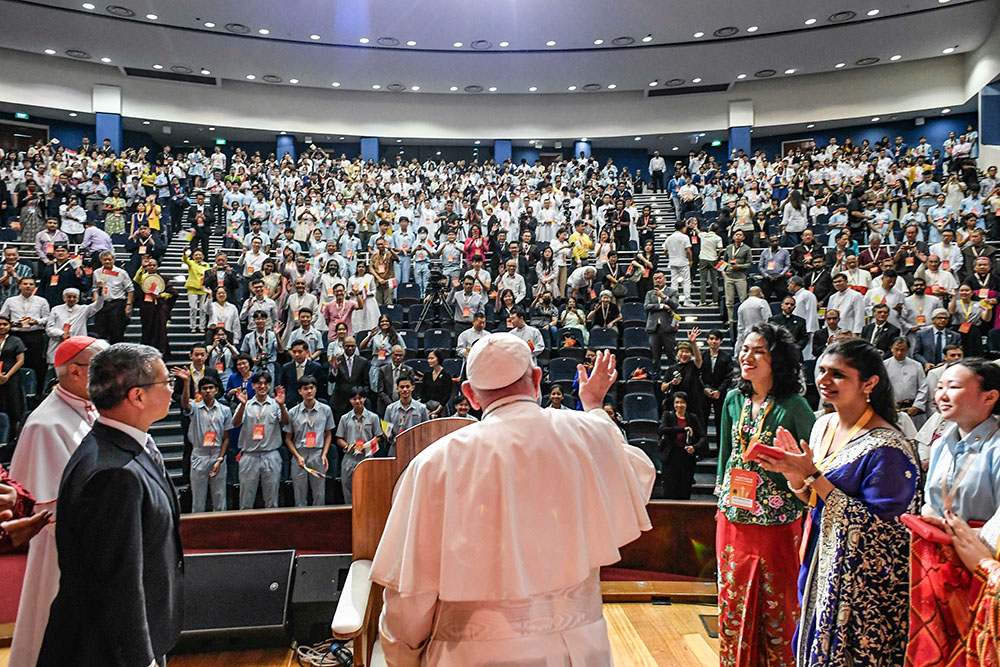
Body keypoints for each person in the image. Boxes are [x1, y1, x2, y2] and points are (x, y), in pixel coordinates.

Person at [369, 338, 654, 664]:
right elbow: (633, 479)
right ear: (536, 380)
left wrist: (401, 655)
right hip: (582, 650)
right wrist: (592, 405)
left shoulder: (435, 464)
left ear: (470, 395)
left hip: (476, 653)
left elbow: (411, 598)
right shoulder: (588, 433)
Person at [756, 338, 917, 666]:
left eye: (838, 375)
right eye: (822, 371)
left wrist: (812, 475)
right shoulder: (823, 425)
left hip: (860, 588)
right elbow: (812, 501)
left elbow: (886, 532)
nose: (824, 381)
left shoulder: (888, 448)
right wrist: (794, 475)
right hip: (818, 560)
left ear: (869, 383)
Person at [37, 343, 181, 667]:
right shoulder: (114, 474)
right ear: (137, 396)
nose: (173, 388)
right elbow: (119, 583)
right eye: (166, 381)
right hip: (108, 650)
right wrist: (141, 659)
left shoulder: (117, 444)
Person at [715, 322, 815, 667]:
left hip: (777, 522)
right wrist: (720, 496)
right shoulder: (733, 398)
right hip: (733, 518)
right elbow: (727, 453)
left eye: (759, 351)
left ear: (778, 359)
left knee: (778, 600)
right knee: (733, 598)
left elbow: (812, 462)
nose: (748, 356)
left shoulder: (796, 406)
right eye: (745, 349)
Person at [8, 336, 106, 667]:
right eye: (101, 368)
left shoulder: (90, 410)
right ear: (76, 372)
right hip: (62, 551)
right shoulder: (45, 423)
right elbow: (45, 507)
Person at [907, 358, 1000, 666]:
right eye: (941, 386)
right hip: (939, 564)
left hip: (980, 565)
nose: (941, 394)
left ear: (989, 396)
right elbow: (933, 499)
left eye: (955, 387)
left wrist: (971, 540)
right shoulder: (942, 442)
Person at [176, 369, 232, 512]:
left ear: (216, 390)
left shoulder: (224, 410)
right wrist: (187, 382)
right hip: (199, 454)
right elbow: (184, 404)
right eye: (204, 388)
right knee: (198, 498)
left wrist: (220, 458)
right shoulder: (194, 407)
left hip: (217, 455)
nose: (207, 391)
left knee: (219, 497)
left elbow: (226, 437)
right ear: (200, 392)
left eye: (210, 388)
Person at [232, 372, 289, 509]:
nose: (262, 386)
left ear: (269, 386)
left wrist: (281, 405)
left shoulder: (276, 404)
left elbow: (286, 422)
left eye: (266, 383)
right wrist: (243, 405)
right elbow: (235, 423)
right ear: (253, 385)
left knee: (272, 498)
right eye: (259, 383)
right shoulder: (246, 404)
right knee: (246, 497)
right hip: (249, 455)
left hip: (271, 454)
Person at [284, 375, 335, 507]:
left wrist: (324, 454)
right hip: (300, 455)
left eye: (311, 388)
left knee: (319, 494)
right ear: (300, 391)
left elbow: (328, 434)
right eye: (305, 388)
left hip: (318, 454)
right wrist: (297, 456)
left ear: (316, 389)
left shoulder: (325, 410)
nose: (309, 391)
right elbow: (288, 439)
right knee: (299, 494)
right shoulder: (293, 412)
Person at [334, 388, 383, 503]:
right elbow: (339, 439)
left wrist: (370, 444)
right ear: (350, 400)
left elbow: (379, 436)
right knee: (348, 491)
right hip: (350, 458)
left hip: (367, 458)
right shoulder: (344, 418)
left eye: (360, 398)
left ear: (365, 398)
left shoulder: (373, 417)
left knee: (368, 491)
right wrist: (346, 446)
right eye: (354, 399)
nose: (357, 401)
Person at [658, 391, 709, 499]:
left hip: (686, 456)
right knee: (670, 488)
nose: (679, 405)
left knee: (685, 489)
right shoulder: (667, 415)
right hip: (670, 456)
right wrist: (682, 429)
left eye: (682, 402)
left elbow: (703, 437)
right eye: (677, 402)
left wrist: (694, 448)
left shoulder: (693, 417)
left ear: (686, 404)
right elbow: (662, 430)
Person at [91, 251, 134, 343]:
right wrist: (95, 297)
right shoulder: (97, 272)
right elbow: (94, 288)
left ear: (114, 260)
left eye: (109, 259)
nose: (107, 261)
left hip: (117, 304)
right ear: (101, 261)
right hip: (101, 304)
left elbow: (130, 289)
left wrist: (128, 305)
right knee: (101, 333)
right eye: (104, 260)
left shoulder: (121, 272)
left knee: (117, 332)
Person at [644, 271, 679, 372]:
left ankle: (674, 377)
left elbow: (675, 305)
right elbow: (646, 306)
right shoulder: (649, 293)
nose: (657, 280)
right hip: (654, 329)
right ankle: (656, 378)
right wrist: (662, 306)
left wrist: (664, 297)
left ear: (665, 279)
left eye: (660, 278)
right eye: (655, 279)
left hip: (668, 328)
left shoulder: (672, 292)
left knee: (671, 356)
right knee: (655, 358)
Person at [722, 230, 752, 326]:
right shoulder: (729, 247)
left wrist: (739, 266)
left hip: (740, 277)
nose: (738, 236)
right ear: (733, 236)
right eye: (736, 234)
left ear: (743, 237)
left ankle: (743, 320)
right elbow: (724, 260)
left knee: (743, 300)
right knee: (729, 301)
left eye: (740, 235)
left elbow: (749, 263)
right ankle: (730, 320)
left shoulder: (747, 249)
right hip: (729, 276)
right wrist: (722, 271)